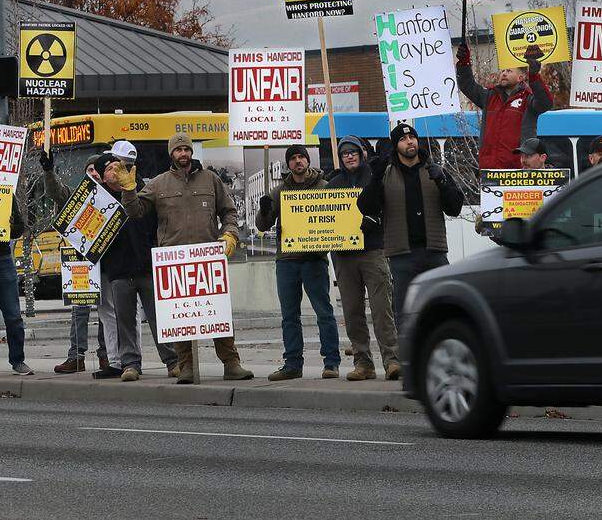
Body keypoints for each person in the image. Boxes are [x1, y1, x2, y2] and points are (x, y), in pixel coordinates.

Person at [111, 132, 254, 384]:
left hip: (207, 259)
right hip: (174, 262)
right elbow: (135, 212)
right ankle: (185, 367)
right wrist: (128, 190)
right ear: (171, 154)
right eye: (178, 150)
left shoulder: (211, 180)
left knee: (217, 314)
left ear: (191, 152)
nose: (183, 154)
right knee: (180, 318)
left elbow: (229, 211)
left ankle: (232, 364)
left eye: (186, 149)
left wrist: (230, 234)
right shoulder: (158, 183)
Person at [357, 124, 464, 327]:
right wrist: (376, 178)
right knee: (405, 313)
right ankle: (408, 355)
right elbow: (366, 207)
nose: (409, 142)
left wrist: (442, 181)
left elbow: (454, 208)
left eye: (412, 137)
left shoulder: (435, 171)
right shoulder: (387, 175)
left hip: (434, 253)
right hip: (402, 256)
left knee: (444, 307)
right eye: (403, 139)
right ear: (396, 146)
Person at [255, 145, 340, 381]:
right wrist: (264, 211)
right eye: (293, 158)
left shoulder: (324, 187)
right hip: (287, 261)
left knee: (324, 313)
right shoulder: (280, 191)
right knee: (289, 316)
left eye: (301, 156)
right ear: (288, 164)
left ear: (308, 160)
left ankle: (331, 362)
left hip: (314, 259)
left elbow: (337, 217)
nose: (298, 161)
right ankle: (292, 364)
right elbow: (262, 225)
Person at [95, 145, 180, 381]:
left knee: (157, 317)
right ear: (104, 174)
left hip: (146, 265)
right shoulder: (99, 198)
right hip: (119, 269)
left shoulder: (143, 189)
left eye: (121, 165)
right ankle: (130, 363)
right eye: (112, 167)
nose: (117, 170)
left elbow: (157, 223)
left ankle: (172, 360)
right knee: (125, 320)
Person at [325, 136, 400, 382]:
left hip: (373, 251)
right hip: (344, 256)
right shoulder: (333, 185)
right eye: (344, 152)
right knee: (352, 312)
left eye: (353, 151)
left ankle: (392, 360)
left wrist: (376, 220)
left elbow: (390, 206)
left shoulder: (377, 176)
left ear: (362, 153)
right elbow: (323, 218)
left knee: (382, 309)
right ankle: (363, 362)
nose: (349, 156)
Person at [39, 151, 111, 374]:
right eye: (88, 170)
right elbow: (54, 192)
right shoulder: (74, 197)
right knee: (79, 309)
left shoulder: (111, 196)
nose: (92, 174)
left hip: (107, 261)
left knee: (106, 312)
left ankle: (106, 356)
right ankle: (76, 356)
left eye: (95, 170)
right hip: (81, 263)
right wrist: (49, 172)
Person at [455, 42, 553, 169]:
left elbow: (545, 103)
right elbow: (467, 85)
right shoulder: (489, 97)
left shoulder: (527, 99)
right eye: (502, 71)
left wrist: (534, 77)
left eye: (509, 71)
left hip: (517, 170)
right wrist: (464, 63)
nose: (504, 73)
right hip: (489, 170)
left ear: (521, 77)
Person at [1, 200, 32, 375]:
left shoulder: (5, 191)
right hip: (4, 260)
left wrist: (12, 226)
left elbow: (20, 227)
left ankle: (18, 361)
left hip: (3, 258)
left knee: (13, 316)